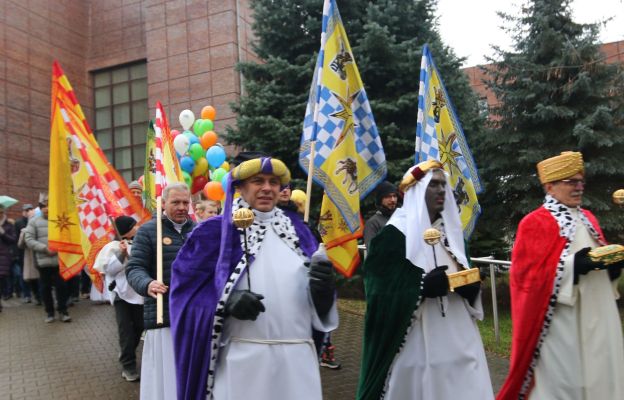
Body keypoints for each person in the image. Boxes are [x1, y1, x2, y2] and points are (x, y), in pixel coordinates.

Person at [170, 157, 338, 400]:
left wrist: (324, 294)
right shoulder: (213, 231)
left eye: (273, 182)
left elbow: (317, 300)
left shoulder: (299, 230)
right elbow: (184, 295)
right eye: (258, 181)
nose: (267, 188)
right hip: (245, 360)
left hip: (298, 360)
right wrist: (225, 303)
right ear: (240, 187)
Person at [357, 160, 493, 400]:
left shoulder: (453, 237)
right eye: (433, 185)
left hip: (462, 342)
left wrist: (471, 291)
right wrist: (420, 287)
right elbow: (378, 293)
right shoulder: (392, 237)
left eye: (443, 185)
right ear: (416, 191)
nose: (441, 190)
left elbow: (465, 275)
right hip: (417, 345)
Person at [497, 151, 624, 400]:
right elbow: (525, 279)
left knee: (601, 376)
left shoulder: (589, 218)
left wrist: (613, 267)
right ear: (550, 186)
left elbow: (600, 259)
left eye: (581, 182)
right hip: (560, 323)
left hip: (597, 315)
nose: (579, 188)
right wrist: (574, 266)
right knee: (567, 383)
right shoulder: (534, 222)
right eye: (571, 182)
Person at [126, 182, 195, 400]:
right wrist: (147, 284)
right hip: (163, 314)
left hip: (194, 315)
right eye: (176, 202)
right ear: (163, 203)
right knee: (166, 378)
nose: (182, 207)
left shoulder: (198, 230)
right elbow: (134, 267)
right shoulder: (148, 230)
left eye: (186, 202)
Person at [94, 216, 143, 382]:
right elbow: (110, 270)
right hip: (122, 295)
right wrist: (121, 254)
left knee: (138, 328)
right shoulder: (112, 247)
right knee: (126, 331)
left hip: (139, 293)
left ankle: (126, 353)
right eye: (133, 226)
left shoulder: (140, 243)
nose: (137, 228)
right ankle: (128, 365)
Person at [24, 194, 71, 323]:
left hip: (58, 261)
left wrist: (58, 247)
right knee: (45, 289)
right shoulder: (33, 222)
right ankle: (49, 313)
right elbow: (28, 239)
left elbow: (67, 235)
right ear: (41, 208)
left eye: (49, 205)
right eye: (44, 206)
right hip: (43, 262)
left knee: (61, 287)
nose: (47, 208)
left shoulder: (59, 219)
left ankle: (63, 311)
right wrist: (44, 248)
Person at [16, 204, 41, 305]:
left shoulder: (38, 222)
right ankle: (28, 295)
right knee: (27, 277)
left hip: (38, 254)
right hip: (26, 255)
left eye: (30, 209)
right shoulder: (19, 223)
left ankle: (40, 297)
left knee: (39, 278)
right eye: (26, 210)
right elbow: (19, 243)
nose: (28, 211)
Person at [363, 181, 399, 248]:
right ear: (380, 199)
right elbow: (371, 250)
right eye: (388, 196)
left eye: (394, 196)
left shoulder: (401, 218)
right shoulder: (373, 223)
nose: (393, 200)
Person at [0, 205, 17, 312]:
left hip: (3, 256)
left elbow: (13, 239)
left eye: (1, 213)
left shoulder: (9, 225)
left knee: (1, 279)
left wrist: (3, 233)